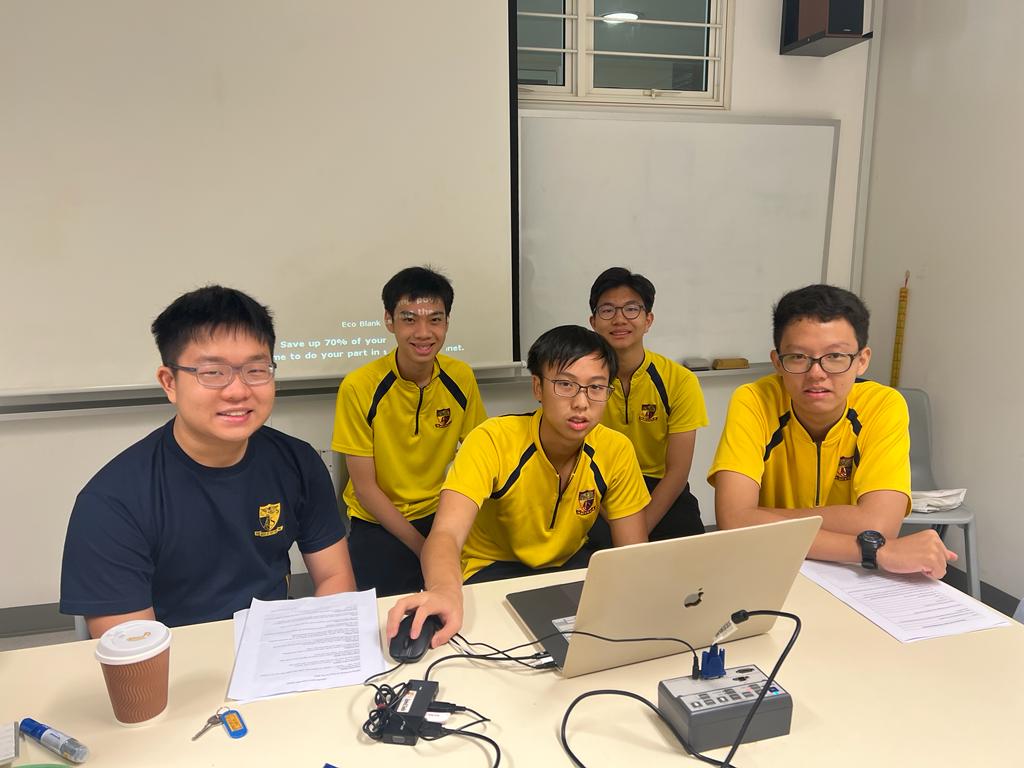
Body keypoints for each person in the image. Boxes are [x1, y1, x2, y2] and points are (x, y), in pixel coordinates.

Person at [60, 286, 356, 637]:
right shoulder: (112, 502)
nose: (238, 390)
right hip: (175, 660)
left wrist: (315, 649)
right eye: (213, 372)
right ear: (169, 383)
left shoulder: (297, 461)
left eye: (256, 369)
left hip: (274, 650)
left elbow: (335, 577)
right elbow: (133, 651)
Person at [387, 325, 650, 646]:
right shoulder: (492, 440)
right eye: (566, 385)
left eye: (596, 387)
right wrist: (444, 591)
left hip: (566, 569)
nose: (582, 402)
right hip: (492, 571)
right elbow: (445, 534)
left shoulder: (616, 449)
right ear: (538, 387)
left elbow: (633, 554)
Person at [709, 284, 956, 576]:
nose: (816, 373)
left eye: (835, 356)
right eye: (798, 357)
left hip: (849, 572)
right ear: (777, 363)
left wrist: (757, 518)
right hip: (772, 560)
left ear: (861, 361)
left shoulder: (883, 406)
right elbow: (732, 521)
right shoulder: (754, 401)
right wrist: (873, 549)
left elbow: (880, 525)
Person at [331, 267, 486, 596]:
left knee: (472, 600)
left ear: (447, 322)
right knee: (386, 616)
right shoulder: (359, 387)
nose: (423, 332)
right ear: (389, 321)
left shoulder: (461, 378)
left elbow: (480, 454)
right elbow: (365, 489)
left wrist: (444, 538)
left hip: (440, 515)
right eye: (409, 319)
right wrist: (425, 548)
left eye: (435, 319)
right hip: (378, 522)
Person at [587, 266, 709, 546]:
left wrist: (638, 529)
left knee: (693, 555)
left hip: (659, 489)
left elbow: (678, 471)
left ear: (648, 319)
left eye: (631, 309)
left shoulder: (680, 381)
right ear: (593, 321)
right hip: (599, 488)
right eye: (607, 310)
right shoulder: (582, 380)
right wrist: (620, 524)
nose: (619, 319)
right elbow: (574, 456)